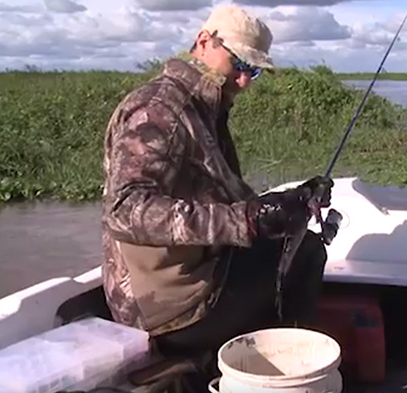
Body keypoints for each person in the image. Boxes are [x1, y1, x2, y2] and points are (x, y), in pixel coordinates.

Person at [100, 3, 333, 370]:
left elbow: (228, 202)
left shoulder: (203, 109)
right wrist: (247, 221)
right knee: (307, 253)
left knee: (297, 239)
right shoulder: (160, 110)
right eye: (239, 64)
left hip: (192, 275)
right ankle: (292, 370)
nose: (244, 81)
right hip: (163, 307)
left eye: (253, 70)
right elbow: (125, 210)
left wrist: (295, 202)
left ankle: (264, 364)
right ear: (204, 41)